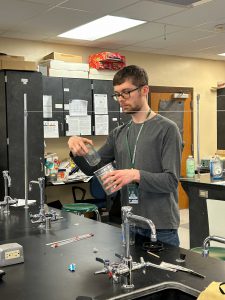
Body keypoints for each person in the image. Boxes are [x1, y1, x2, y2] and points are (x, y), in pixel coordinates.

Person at [68, 65, 182, 247]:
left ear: (144, 90)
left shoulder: (167, 129)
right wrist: (77, 147)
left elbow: (170, 181)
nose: (120, 99)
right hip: (130, 223)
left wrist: (135, 175)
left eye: (126, 92)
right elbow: (92, 167)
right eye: (117, 94)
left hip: (160, 227)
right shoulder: (119, 133)